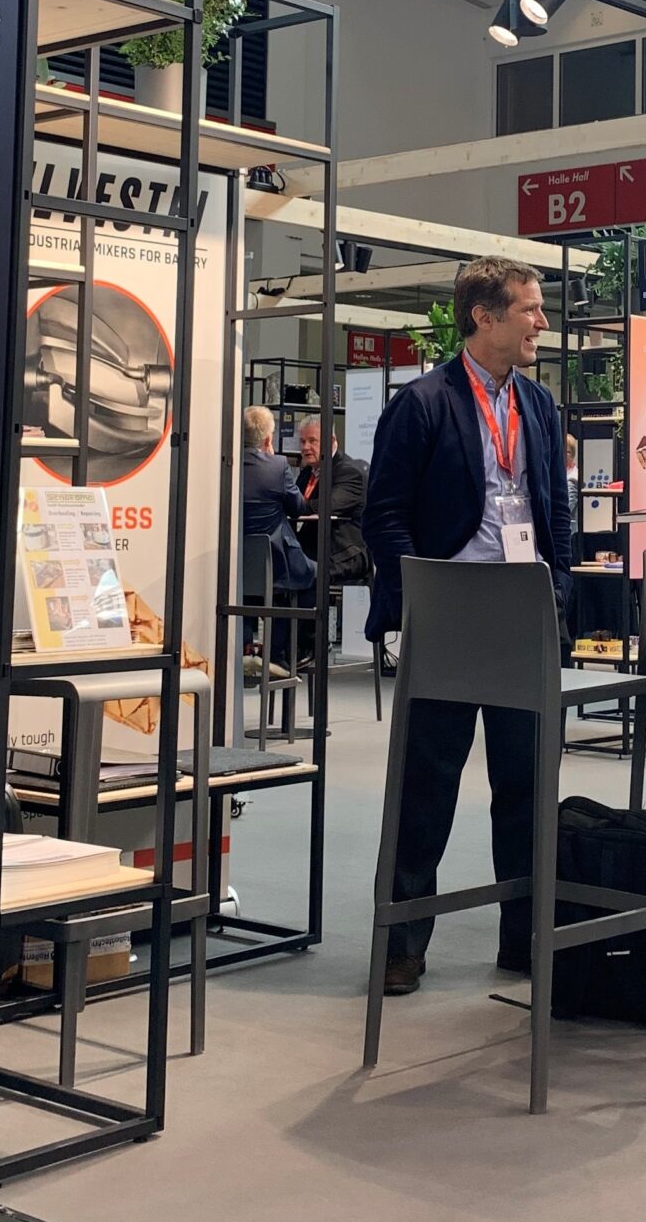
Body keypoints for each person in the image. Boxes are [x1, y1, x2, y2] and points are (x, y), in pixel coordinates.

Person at [361, 256, 570, 997]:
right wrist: (419, 600)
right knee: (425, 787)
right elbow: (383, 514)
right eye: (529, 309)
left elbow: (554, 508)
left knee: (528, 785)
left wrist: (558, 591)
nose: (541, 322)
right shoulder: (422, 403)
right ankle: (401, 946)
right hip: (449, 612)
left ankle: (525, 939)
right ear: (484, 317)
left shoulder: (538, 404)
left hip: (522, 611)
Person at [241, 403, 313, 663]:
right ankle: (280, 653)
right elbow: (298, 508)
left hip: (236, 560)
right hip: (276, 561)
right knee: (311, 576)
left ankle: (243, 648)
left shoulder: (227, 464)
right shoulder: (278, 466)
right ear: (268, 439)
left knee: (248, 591)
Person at [297, 416, 371, 589]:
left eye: (312, 441)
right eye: (302, 441)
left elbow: (326, 505)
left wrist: (295, 505)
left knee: (302, 575)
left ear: (330, 441)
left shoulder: (350, 472)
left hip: (343, 554)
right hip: (311, 549)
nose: (305, 447)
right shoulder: (307, 472)